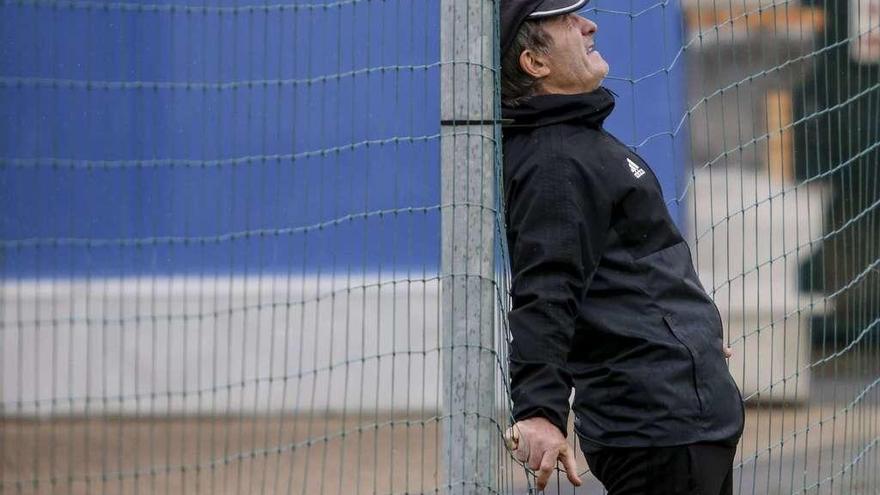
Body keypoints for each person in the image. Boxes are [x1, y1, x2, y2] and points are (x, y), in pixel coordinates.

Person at [499, 1, 745, 493]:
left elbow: (630, 267)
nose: (588, 25)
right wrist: (539, 411)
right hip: (657, 429)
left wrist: (690, 330)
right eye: (567, 21)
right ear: (536, 64)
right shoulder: (556, 162)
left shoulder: (579, 143)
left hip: (681, 418)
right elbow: (547, 289)